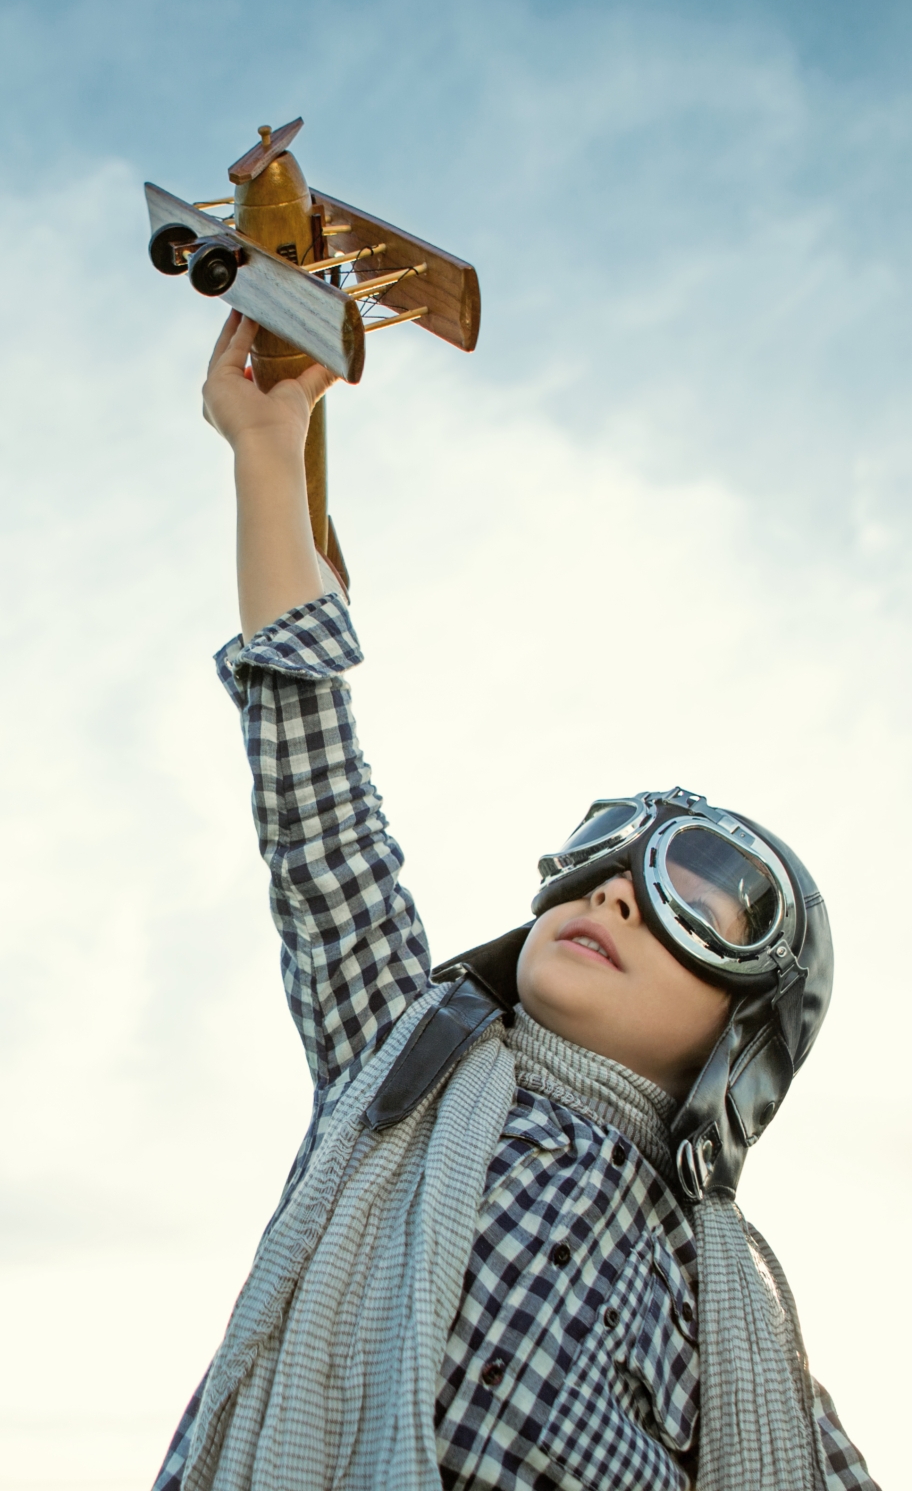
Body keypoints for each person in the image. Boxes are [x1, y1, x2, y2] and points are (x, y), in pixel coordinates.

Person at [151, 310, 879, 1491]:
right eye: (601, 860)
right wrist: (269, 449)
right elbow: (316, 792)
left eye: (697, 902)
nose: (618, 894)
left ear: (741, 1043)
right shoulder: (401, 1064)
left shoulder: (727, 1320)